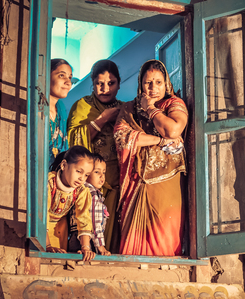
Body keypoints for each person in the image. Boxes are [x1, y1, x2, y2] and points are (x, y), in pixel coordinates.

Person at [114, 60, 188, 256]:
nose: (153, 88)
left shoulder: (174, 104)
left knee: (164, 234)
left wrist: (150, 108)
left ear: (166, 84)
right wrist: (160, 141)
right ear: (141, 84)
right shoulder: (130, 108)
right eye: (148, 83)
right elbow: (122, 139)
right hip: (137, 181)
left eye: (158, 82)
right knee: (133, 236)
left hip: (167, 180)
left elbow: (172, 130)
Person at [67, 59, 122, 253]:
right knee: (86, 227)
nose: (105, 88)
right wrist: (104, 118)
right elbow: (74, 142)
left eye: (111, 83)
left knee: (112, 234)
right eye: (100, 83)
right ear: (92, 83)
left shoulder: (125, 110)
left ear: (119, 83)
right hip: (87, 183)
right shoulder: (82, 106)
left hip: (117, 183)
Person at [46, 145, 96, 262]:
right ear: (63, 165)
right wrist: (47, 245)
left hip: (60, 226)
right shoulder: (49, 183)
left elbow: (84, 218)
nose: (82, 178)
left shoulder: (81, 191)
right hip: (43, 225)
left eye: (86, 175)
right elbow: (41, 214)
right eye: (79, 171)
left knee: (59, 260)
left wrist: (85, 247)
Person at [68, 153, 111, 256]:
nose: (102, 176)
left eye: (104, 172)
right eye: (97, 172)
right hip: (86, 239)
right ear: (87, 175)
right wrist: (100, 246)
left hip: (78, 237)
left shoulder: (90, 192)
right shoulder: (91, 194)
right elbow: (94, 223)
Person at [49, 59, 72, 167]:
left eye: (70, 77)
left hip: (57, 174)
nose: (68, 82)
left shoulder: (61, 108)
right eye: (61, 75)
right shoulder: (36, 107)